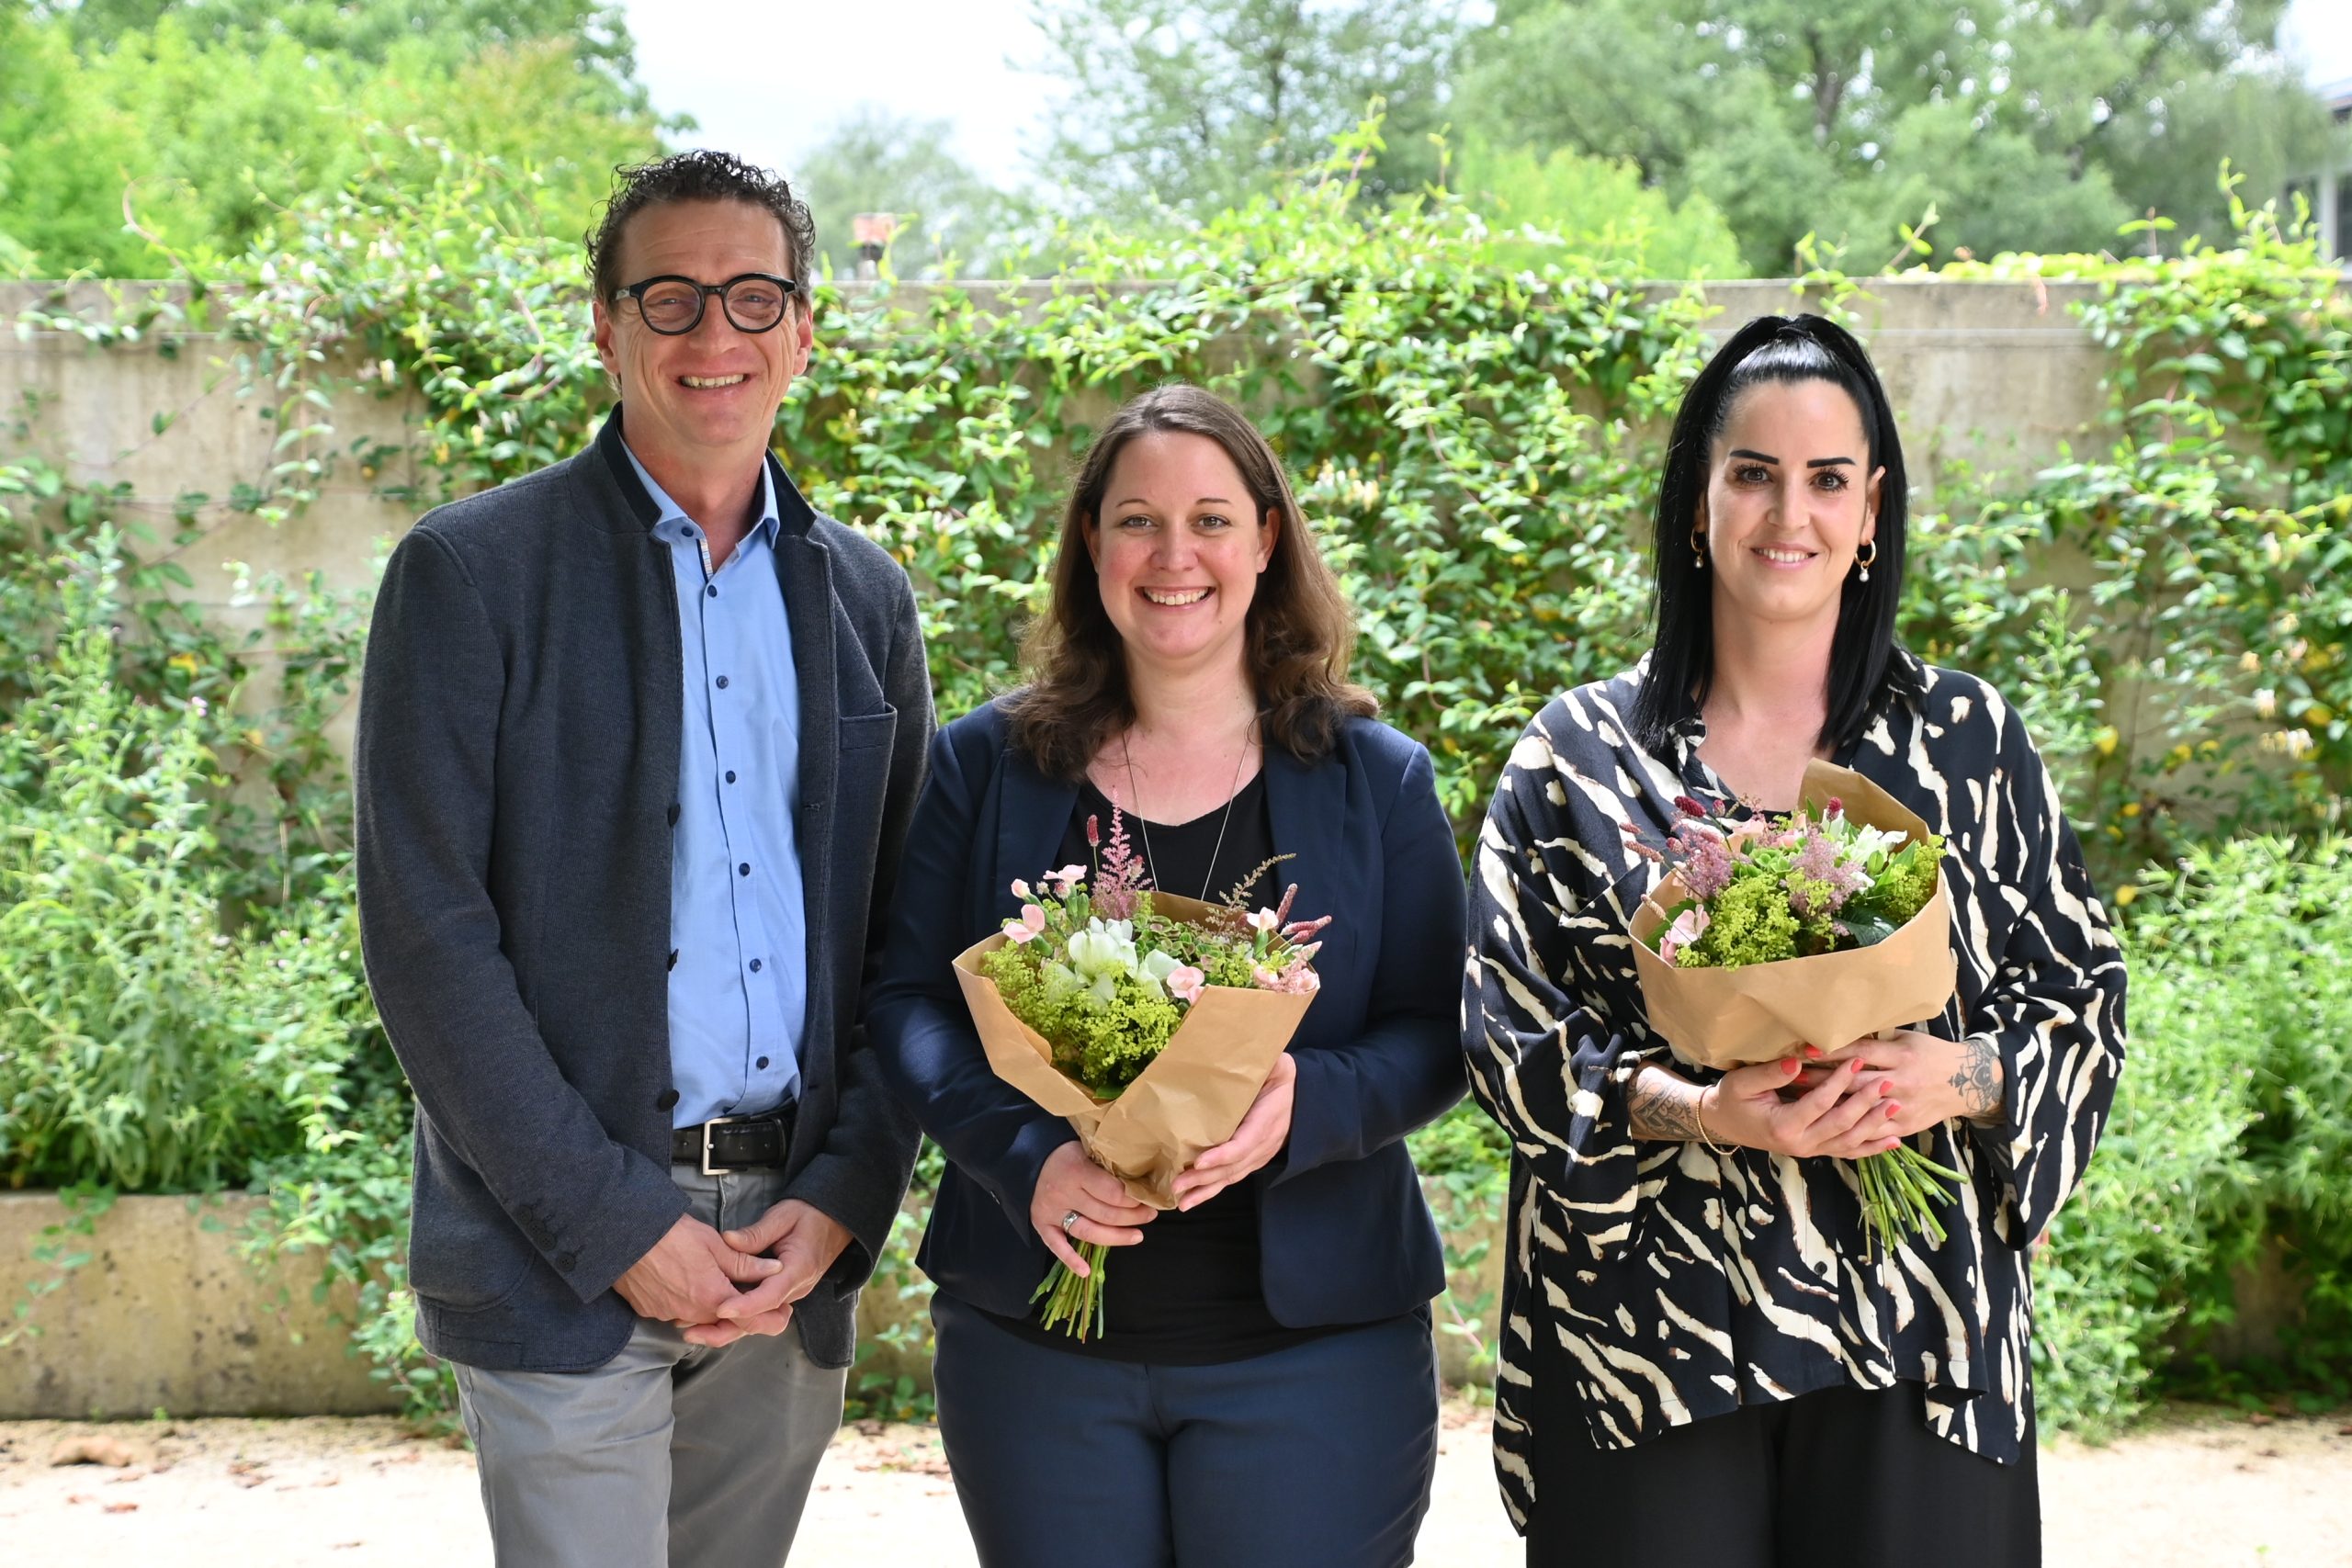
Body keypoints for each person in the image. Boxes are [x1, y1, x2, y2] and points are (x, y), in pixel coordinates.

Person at [1464, 313, 2127, 1567]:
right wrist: (1709, 1110)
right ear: (1698, 503)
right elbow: (1508, 1041)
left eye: (1827, 479)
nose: (1790, 514)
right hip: (1653, 1343)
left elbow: (2081, 998)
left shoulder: (1971, 744)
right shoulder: (1577, 761)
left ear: (1872, 509)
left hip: (1919, 1329)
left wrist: (1958, 1078)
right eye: (1753, 474)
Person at [354, 150, 933, 1567]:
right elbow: (426, 938)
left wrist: (846, 1200)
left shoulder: (866, 598)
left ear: (805, 328)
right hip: (561, 1252)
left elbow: (907, 939)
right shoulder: (470, 575)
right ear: (603, 327)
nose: (713, 337)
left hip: (789, 1246)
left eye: (752, 298)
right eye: (668, 300)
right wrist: (620, 1224)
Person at [866, 384, 1465, 1568]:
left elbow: (1437, 1032)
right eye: (1137, 521)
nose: (1173, 555)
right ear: (1092, 547)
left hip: (1317, 1361)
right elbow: (908, 1006)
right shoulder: (988, 764)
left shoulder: (1376, 778)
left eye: (1211, 519)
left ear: (1265, 542)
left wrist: (1312, 1101)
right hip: (1037, 1352)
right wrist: (1026, 1159)